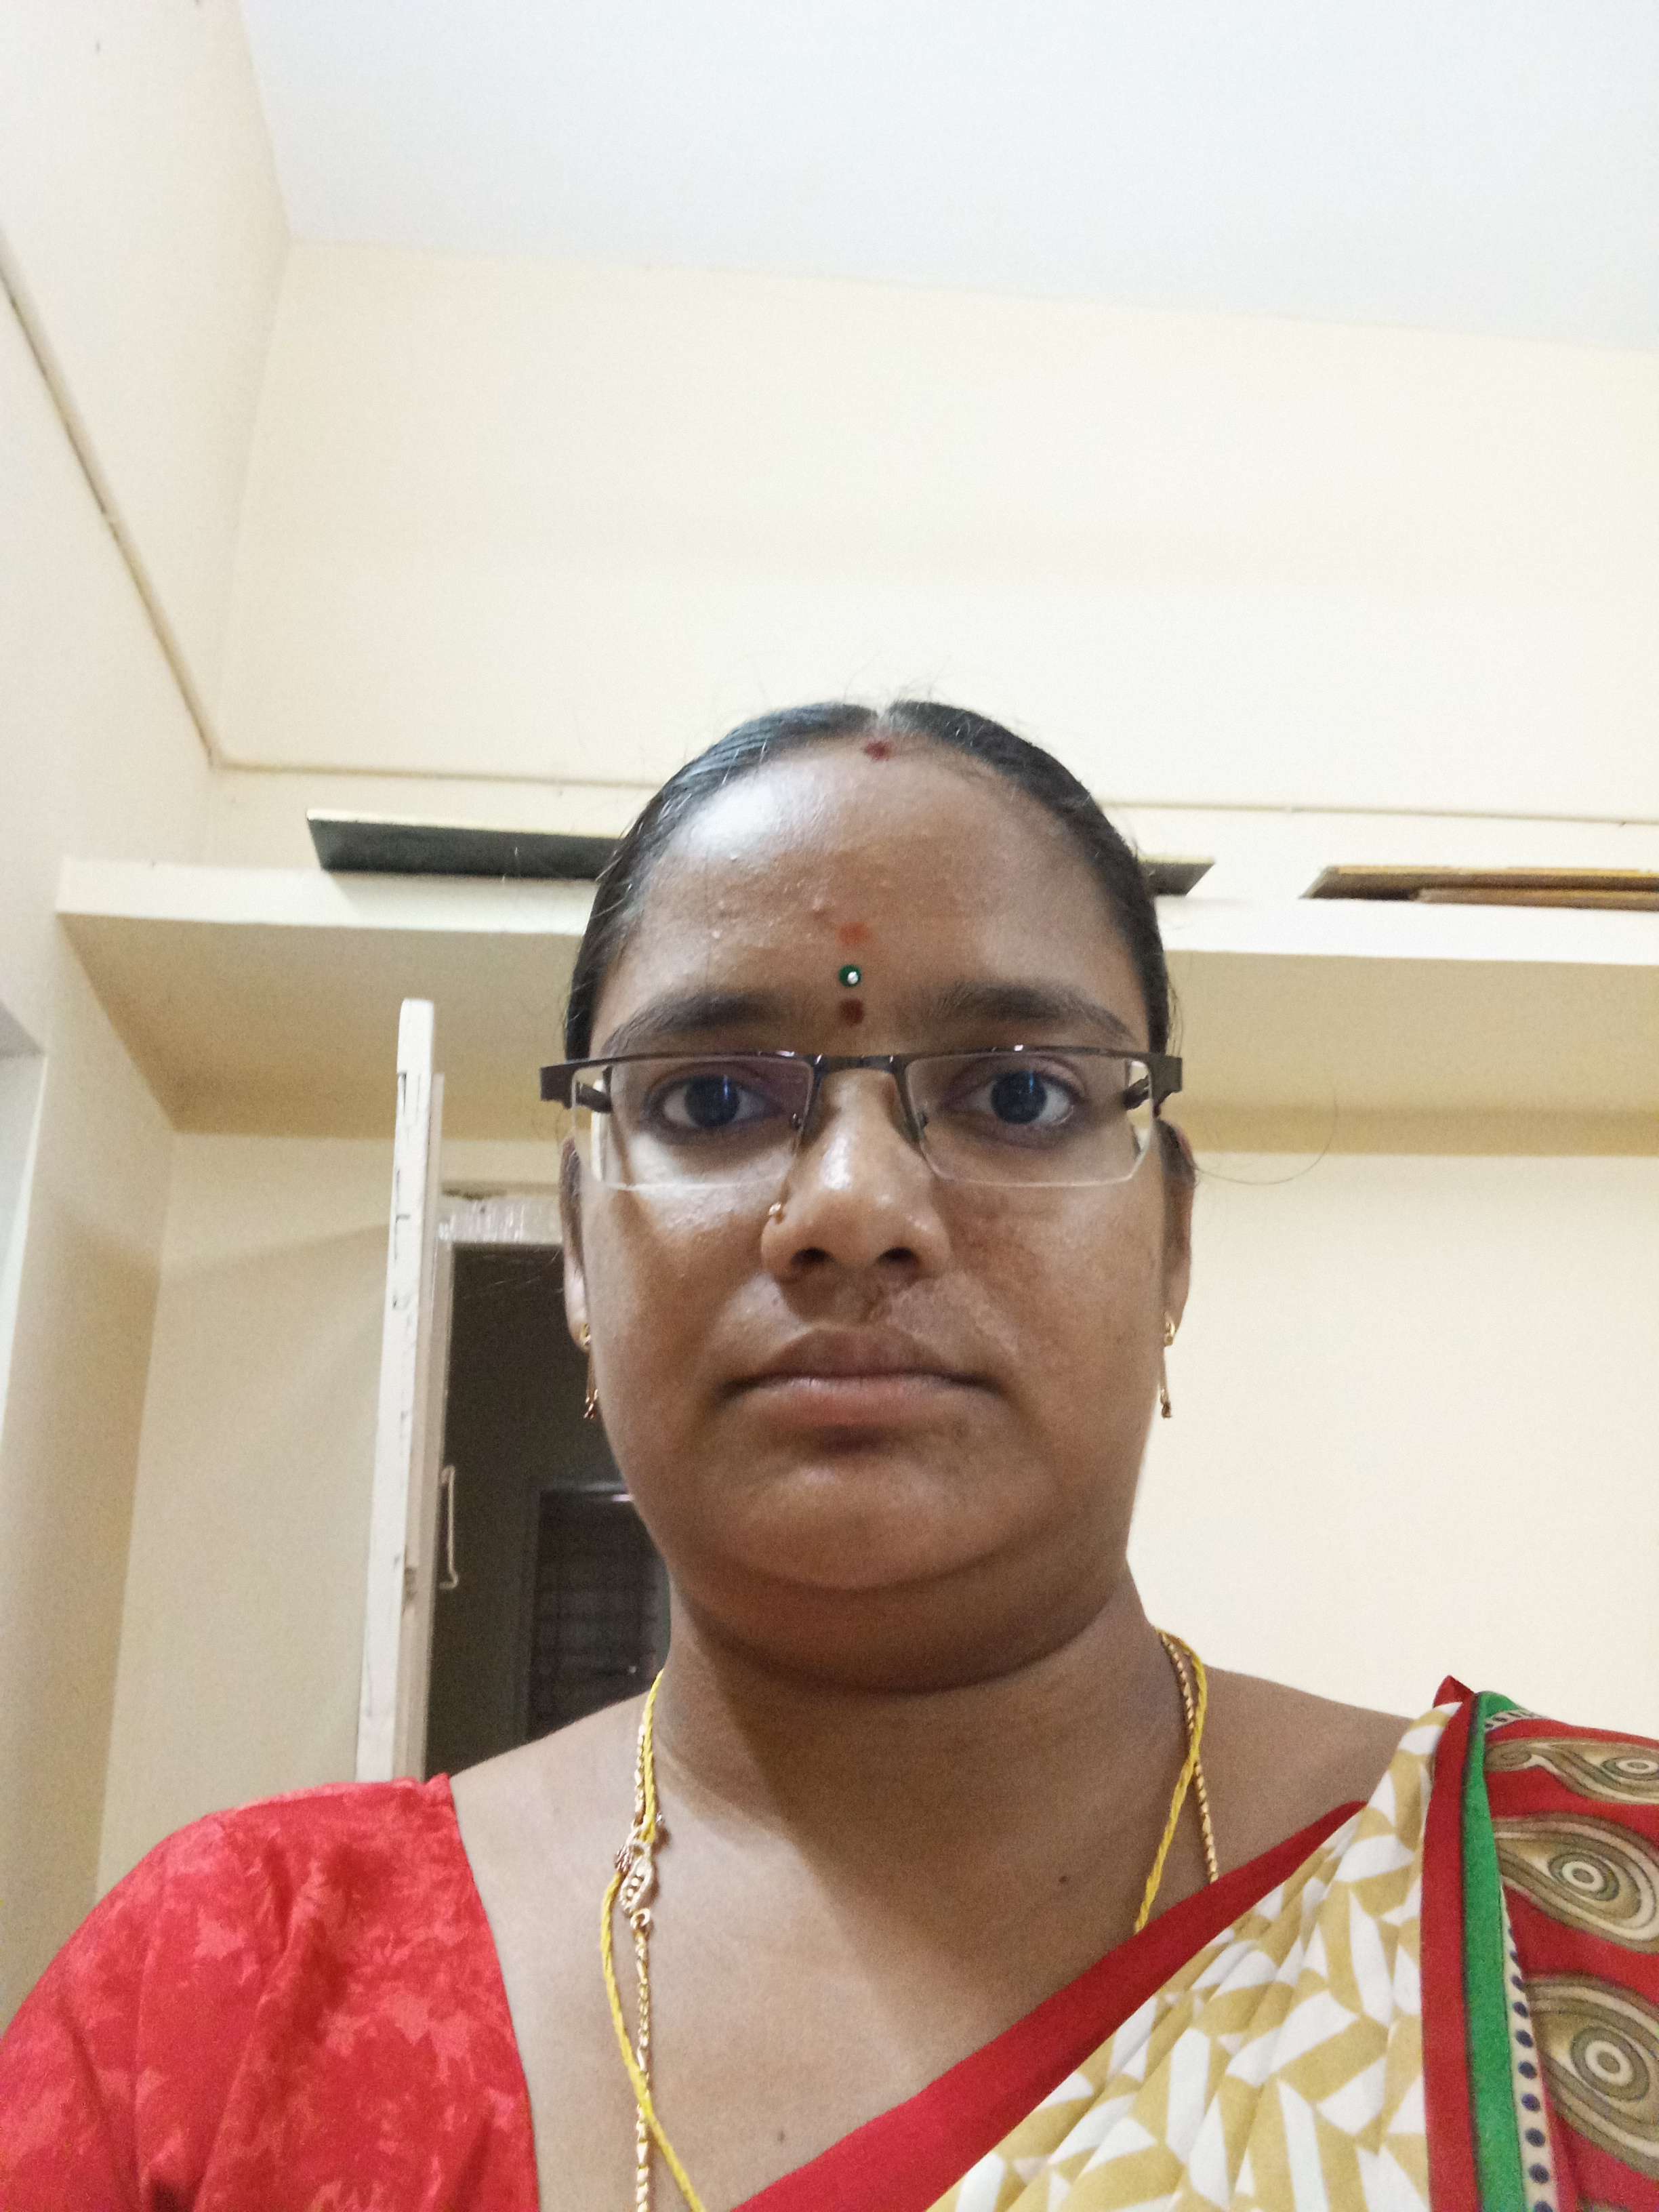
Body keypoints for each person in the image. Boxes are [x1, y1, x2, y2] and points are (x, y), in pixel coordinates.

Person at [3, 700, 1657, 2211]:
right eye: (714, 1102)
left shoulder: (1578, 1919)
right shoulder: (223, 2003)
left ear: (1170, 1249)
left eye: (1020, 1094)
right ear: (578, 1249)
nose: (856, 1208)